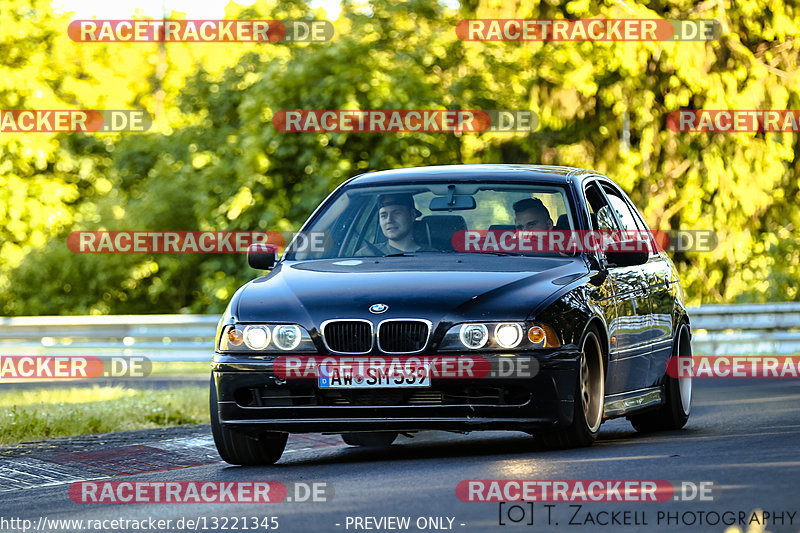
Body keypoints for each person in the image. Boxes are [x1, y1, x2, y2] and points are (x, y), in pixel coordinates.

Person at [359, 193, 433, 255]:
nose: (389, 220)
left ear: (412, 215)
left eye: (396, 213)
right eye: (384, 215)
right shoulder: (366, 255)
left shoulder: (432, 256)